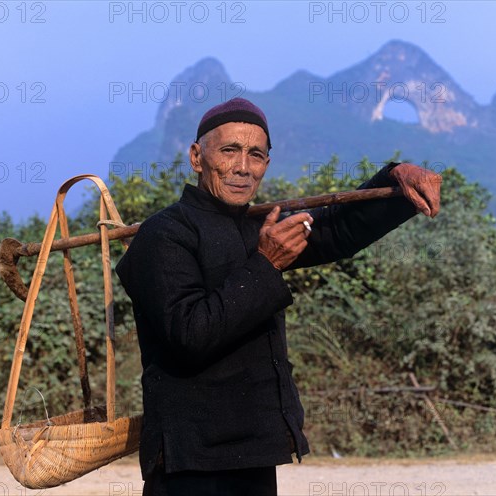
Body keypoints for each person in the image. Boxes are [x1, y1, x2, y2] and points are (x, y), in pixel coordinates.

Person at [116, 98, 442, 496]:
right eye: (229, 151)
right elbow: (189, 333)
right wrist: (266, 265)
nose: (242, 167)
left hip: (253, 451)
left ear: (266, 165)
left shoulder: (259, 226)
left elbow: (335, 230)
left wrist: (396, 180)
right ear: (197, 157)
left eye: (256, 155)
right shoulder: (164, 235)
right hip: (191, 460)